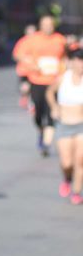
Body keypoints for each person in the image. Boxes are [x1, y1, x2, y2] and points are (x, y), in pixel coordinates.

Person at [19, 14, 66, 156]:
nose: (48, 27)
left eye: (50, 24)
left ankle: (46, 144)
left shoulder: (60, 39)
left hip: (54, 82)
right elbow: (19, 55)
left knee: (52, 112)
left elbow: (66, 58)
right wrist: (31, 66)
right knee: (39, 113)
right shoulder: (32, 40)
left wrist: (63, 71)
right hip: (37, 80)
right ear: (40, 25)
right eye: (45, 24)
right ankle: (41, 130)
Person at [46, 47, 83, 204]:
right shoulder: (63, 78)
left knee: (80, 161)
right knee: (66, 163)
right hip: (64, 125)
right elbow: (49, 92)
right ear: (72, 62)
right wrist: (54, 107)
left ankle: (76, 192)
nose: (81, 64)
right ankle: (67, 179)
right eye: (79, 61)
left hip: (81, 124)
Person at [12, 24, 37, 110]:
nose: (32, 33)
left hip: (36, 69)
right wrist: (24, 59)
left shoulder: (39, 41)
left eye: (33, 31)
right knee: (25, 87)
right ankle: (25, 97)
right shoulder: (22, 42)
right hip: (24, 70)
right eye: (30, 31)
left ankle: (32, 104)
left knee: (35, 88)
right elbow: (15, 55)